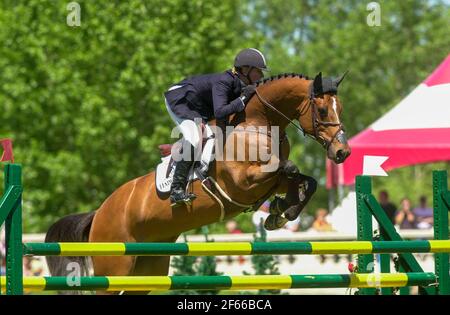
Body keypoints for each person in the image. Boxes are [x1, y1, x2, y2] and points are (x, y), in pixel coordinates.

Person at [164, 48, 269, 207]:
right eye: (258, 72)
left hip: (200, 107)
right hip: (181, 100)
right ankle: (176, 190)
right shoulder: (224, 81)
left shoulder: (240, 85)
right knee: (195, 136)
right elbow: (220, 112)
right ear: (245, 69)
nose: (261, 76)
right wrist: (243, 98)